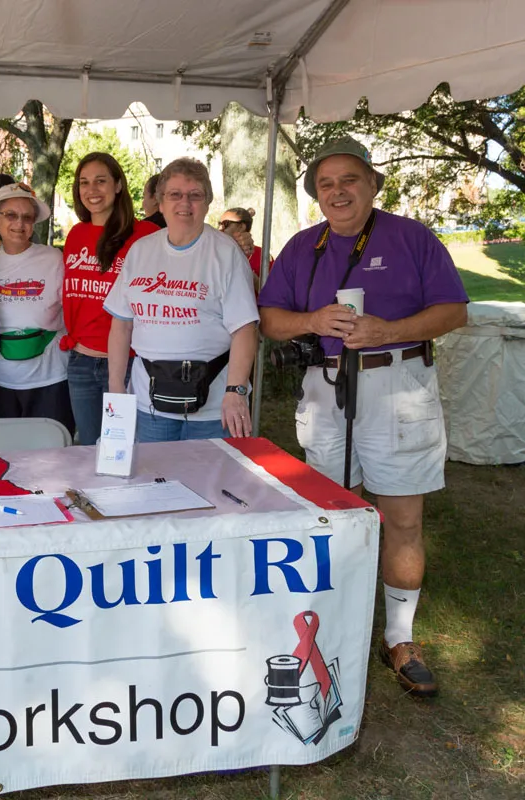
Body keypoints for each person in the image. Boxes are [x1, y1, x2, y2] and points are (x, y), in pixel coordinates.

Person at [257, 135, 469, 698]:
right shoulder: (302, 246)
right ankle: (333, 625)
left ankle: (399, 637)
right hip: (326, 387)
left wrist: (388, 331)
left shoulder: (411, 237)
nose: (338, 191)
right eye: (325, 184)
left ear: (372, 183)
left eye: (349, 179)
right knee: (332, 515)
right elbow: (270, 320)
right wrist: (311, 321)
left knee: (402, 517)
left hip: (398, 385)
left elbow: (454, 311)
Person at [105, 158, 258, 442]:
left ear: (207, 203)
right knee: (152, 471)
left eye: (195, 195)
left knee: (213, 473)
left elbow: (245, 329)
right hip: (149, 406)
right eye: (174, 194)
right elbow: (121, 325)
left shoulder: (226, 253)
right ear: (160, 203)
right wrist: (116, 388)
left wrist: (236, 391)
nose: (184, 203)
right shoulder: (140, 251)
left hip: (213, 408)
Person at [59, 153, 160, 445]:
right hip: (80, 360)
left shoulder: (146, 234)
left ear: (118, 185)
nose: (92, 190)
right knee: (89, 447)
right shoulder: (76, 235)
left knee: (124, 448)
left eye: (100, 181)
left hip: (127, 362)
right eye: (84, 182)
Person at [0, 182, 74, 433]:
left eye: (27, 217)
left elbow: (71, 309)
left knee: (51, 450)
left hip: (49, 378)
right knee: (0, 450)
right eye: (11, 215)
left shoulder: (54, 258)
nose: (19, 224)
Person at [219, 206, 270, 290]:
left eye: (225, 224)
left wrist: (251, 277)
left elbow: (273, 291)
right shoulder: (216, 250)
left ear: (241, 227)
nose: (220, 229)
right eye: (219, 224)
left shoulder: (262, 256)